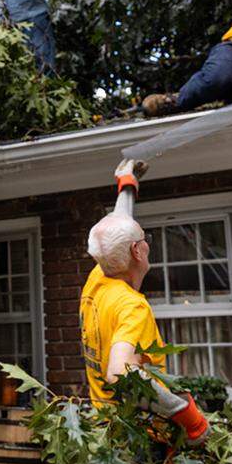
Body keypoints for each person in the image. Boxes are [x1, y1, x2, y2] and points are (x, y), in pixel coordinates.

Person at [79, 159, 210, 446]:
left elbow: (113, 232)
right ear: (138, 251)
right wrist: (189, 416)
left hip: (104, 429)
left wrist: (127, 185)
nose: (147, 242)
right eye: (144, 238)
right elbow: (119, 373)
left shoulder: (98, 276)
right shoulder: (132, 307)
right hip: (137, 437)